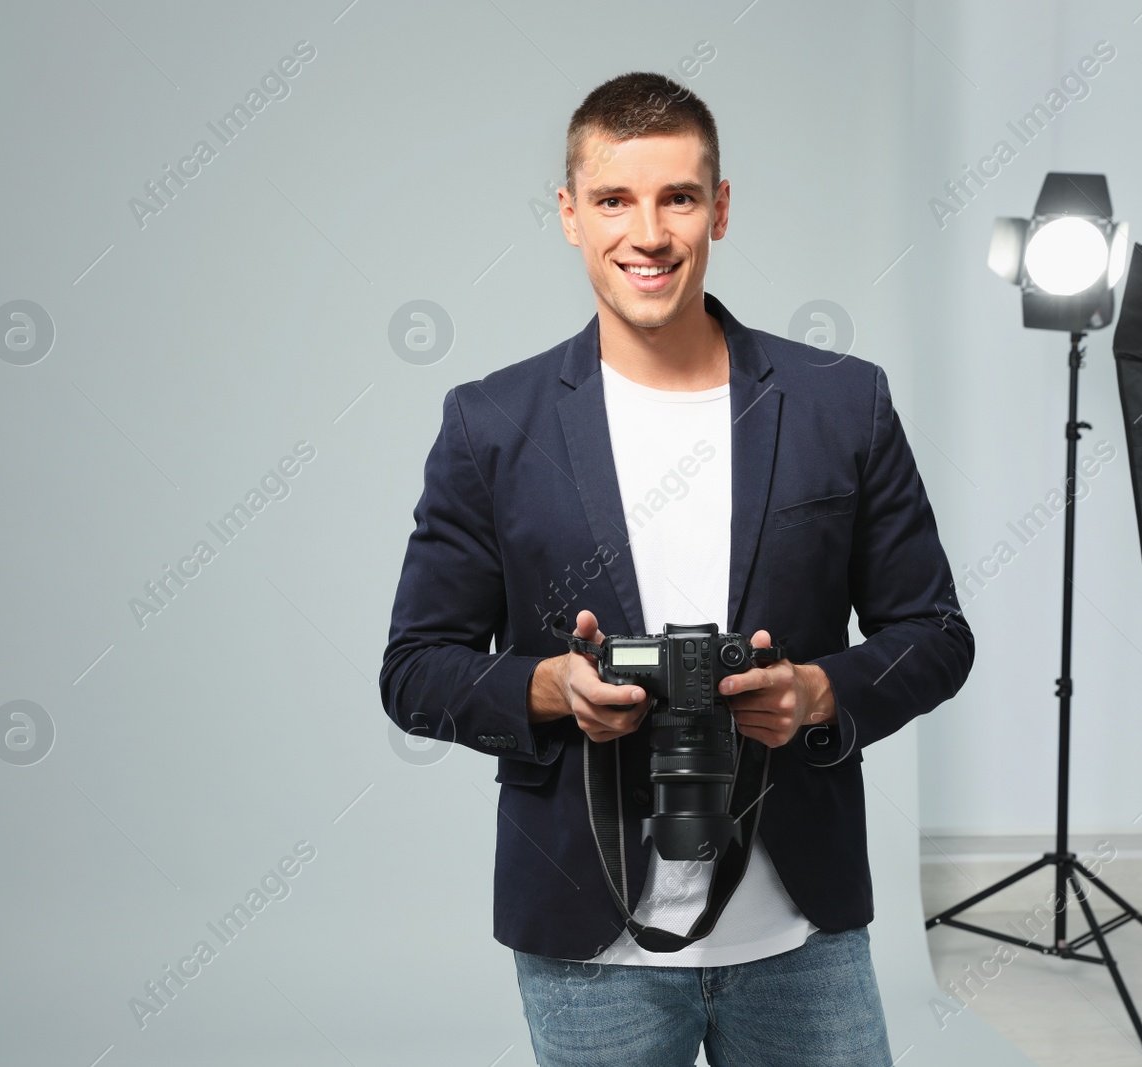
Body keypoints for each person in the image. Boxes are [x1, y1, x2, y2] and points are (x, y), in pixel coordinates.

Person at [380, 71, 973, 1067]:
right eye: (614, 199)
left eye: (678, 197)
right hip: (585, 939)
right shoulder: (492, 423)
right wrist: (548, 687)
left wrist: (818, 691)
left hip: (802, 932)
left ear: (720, 209)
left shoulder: (841, 402)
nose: (646, 234)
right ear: (569, 215)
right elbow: (414, 668)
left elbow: (937, 634)